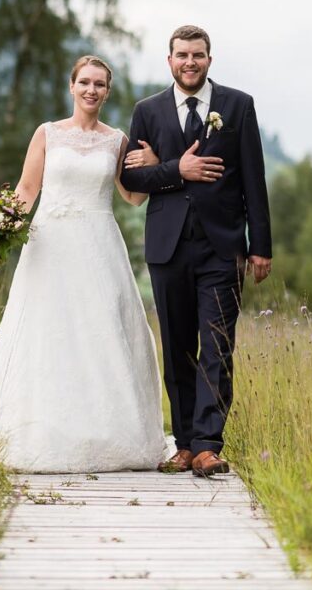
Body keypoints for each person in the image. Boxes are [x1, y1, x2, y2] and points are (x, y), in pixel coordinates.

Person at [0, 55, 167, 473]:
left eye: (99, 84)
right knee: (49, 332)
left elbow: (133, 197)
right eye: (84, 82)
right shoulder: (47, 134)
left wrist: (155, 167)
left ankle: (109, 433)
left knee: (101, 330)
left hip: (98, 244)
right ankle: (41, 431)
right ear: (71, 87)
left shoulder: (117, 140)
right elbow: (27, 190)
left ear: (108, 91)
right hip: (49, 245)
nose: (91, 90)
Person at [120, 25, 272, 477]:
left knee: (218, 347)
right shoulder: (147, 111)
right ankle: (183, 442)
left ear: (210, 59)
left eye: (198, 55)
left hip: (223, 247)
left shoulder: (237, 106)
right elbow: (131, 180)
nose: (190, 62)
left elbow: (253, 179)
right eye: (182, 55)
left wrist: (259, 246)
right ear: (169, 61)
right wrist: (175, 168)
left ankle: (208, 444)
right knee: (178, 346)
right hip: (167, 248)